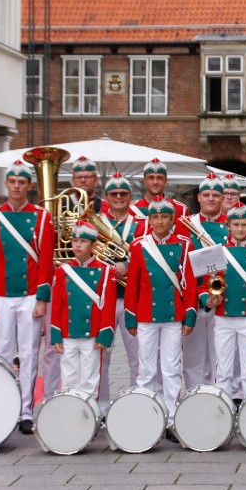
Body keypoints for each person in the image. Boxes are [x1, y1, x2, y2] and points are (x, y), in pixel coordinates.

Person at [0, 160, 55, 434]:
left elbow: (45, 259)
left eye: (21, 183)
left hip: (30, 294)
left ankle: (25, 410)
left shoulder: (41, 217)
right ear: (6, 184)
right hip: (1, 293)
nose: (16, 187)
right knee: (1, 352)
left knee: (28, 353)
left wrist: (42, 298)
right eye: (12, 182)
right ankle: (3, 406)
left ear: (29, 186)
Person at [124, 195, 197, 442]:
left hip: (173, 314)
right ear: (149, 220)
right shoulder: (138, 246)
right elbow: (133, 284)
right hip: (146, 314)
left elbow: (189, 283)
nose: (159, 222)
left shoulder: (185, 245)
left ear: (172, 219)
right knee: (146, 368)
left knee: (171, 367)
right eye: (154, 217)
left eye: (164, 217)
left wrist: (190, 314)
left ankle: (172, 418)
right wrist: (131, 317)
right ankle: (147, 415)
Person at [199, 202, 246, 404]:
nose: (240, 229)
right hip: (223, 317)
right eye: (236, 224)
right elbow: (203, 287)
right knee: (223, 369)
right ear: (228, 226)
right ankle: (222, 409)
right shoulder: (216, 252)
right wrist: (209, 300)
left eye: (244, 224)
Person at [50, 223, 117, 397]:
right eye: (75, 241)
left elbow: (108, 306)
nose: (78, 245)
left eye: (83, 241)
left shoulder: (106, 271)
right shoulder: (62, 271)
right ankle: (70, 408)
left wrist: (104, 334)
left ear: (94, 245)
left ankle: (88, 410)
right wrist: (56, 335)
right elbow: (57, 305)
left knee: (90, 380)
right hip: (68, 332)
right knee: (68, 379)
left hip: (92, 333)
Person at [96, 173, 144, 412]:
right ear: (106, 197)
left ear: (130, 196)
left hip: (132, 299)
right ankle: (102, 406)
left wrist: (127, 264)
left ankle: (137, 403)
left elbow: (148, 255)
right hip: (103, 299)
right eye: (113, 194)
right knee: (102, 356)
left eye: (123, 193)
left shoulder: (142, 223)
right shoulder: (95, 222)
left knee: (137, 356)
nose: (118, 197)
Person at [182, 174, 229, 391]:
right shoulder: (185, 224)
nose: (211, 199)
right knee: (193, 359)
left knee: (221, 358)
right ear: (199, 197)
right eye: (206, 195)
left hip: (223, 300)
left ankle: (217, 398)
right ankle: (194, 396)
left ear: (222, 198)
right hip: (193, 299)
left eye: (216, 195)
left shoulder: (231, 224)